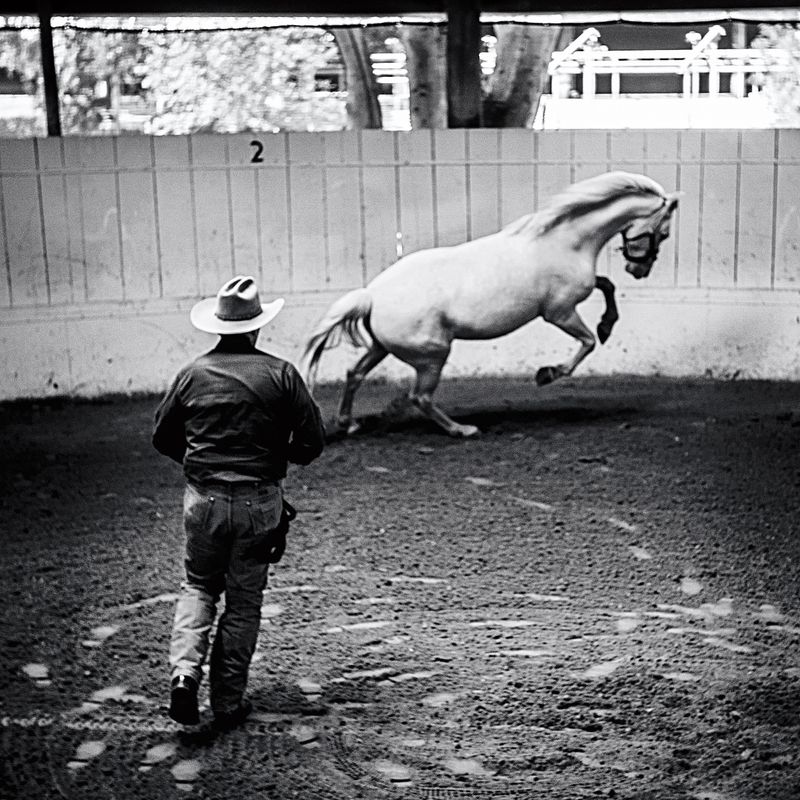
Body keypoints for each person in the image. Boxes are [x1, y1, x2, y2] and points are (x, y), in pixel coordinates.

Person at [152, 275, 325, 730]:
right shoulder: (282, 374)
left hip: (204, 498)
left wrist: (199, 462)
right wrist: (274, 456)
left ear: (218, 326)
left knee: (199, 586)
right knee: (244, 602)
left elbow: (162, 436)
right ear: (257, 326)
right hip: (258, 501)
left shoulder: (191, 375)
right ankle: (227, 702)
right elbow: (311, 443)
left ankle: (185, 675)